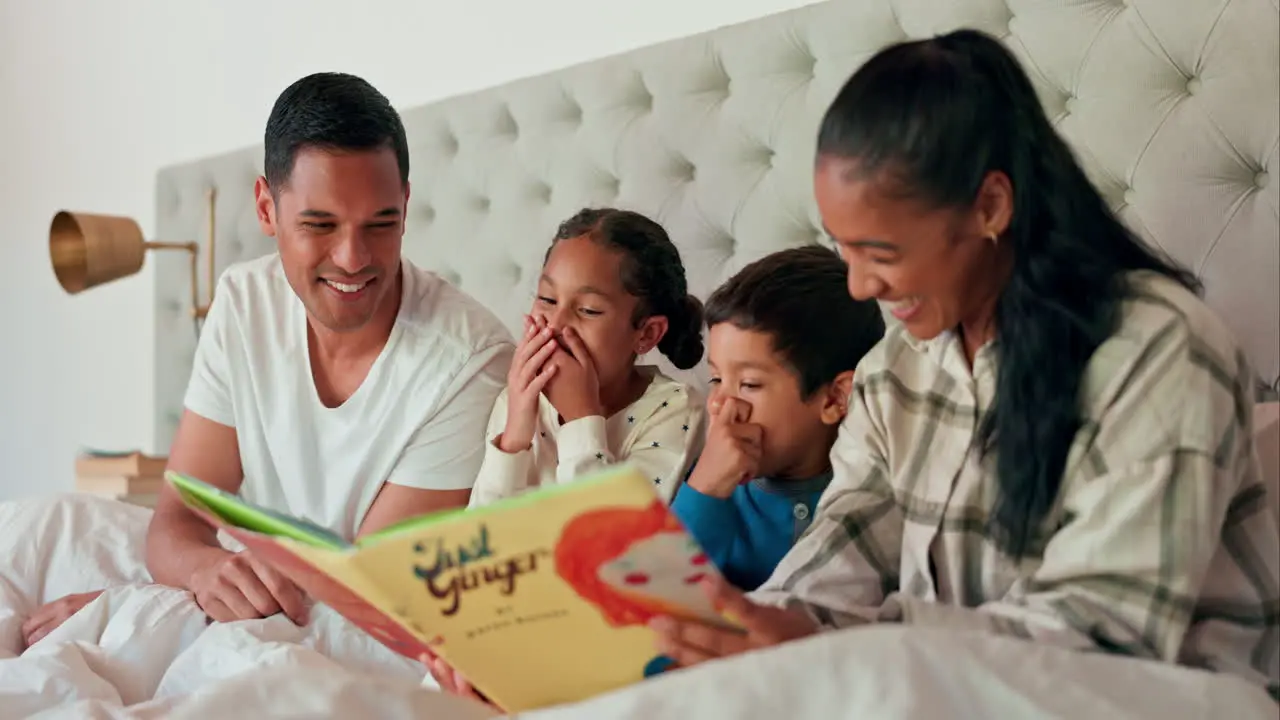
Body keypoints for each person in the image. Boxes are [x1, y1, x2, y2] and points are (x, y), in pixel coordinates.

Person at [647, 28, 1280, 700]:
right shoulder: (894, 372)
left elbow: (1101, 639)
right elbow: (842, 551)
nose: (860, 287)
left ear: (990, 207)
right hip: (942, 688)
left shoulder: (1160, 350)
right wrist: (769, 628)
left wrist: (845, 649)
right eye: (844, 251)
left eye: (880, 253)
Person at [22, 72, 515, 645]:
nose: (353, 259)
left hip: (349, 624)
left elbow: (362, 602)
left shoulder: (471, 362)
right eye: (319, 225)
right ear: (266, 207)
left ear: (405, 204)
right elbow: (176, 520)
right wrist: (201, 571)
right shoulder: (242, 302)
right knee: (40, 524)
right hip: (255, 581)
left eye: (381, 224)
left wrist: (137, 608)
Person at [670, 246, 885, 592]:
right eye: (716, 380)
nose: (721, 405)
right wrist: (705, 490)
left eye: (749, 384)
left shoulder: (870, 497)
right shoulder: (704, 488)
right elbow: (650, 600)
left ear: (834, 398)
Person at [466, 207, 707, 508]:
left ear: (646, 334)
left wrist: (581, 419)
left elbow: (612, 545)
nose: (555, 324)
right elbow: (482, 542)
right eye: (547, 299)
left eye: (589, 310)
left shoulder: (675, 410)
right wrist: (515, 435)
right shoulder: (518, 400)